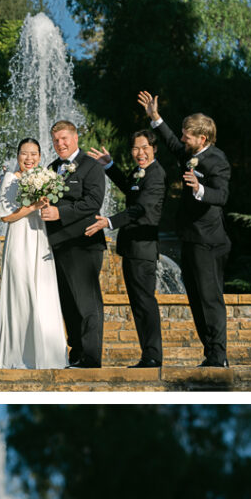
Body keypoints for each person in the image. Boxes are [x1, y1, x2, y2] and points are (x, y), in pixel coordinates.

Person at [138, 91, 231, 368]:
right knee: (195, 299)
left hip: (210, 241)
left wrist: (200, 188)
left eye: (187, 135)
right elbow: (168, 141)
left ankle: (218, 355)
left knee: (210, 299)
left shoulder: (218, 160)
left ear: (202, 138)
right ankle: (210, 353)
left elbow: (222, 196)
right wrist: (155, 117)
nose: (182, 139)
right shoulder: (188, 154)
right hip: (190, 239)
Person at [86, 131, 166, 368]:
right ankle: (148, 355)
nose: (140, 153)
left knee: (145, 303)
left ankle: (153, 356)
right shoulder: (141, 172)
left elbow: (140, 209)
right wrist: (109, 166)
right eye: (135, 149)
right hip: (132, 248)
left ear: (154, 148)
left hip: (143, 248)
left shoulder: (156, 175)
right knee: (138, 304)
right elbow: (130, 189)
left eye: (144, 148)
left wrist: (108, 221)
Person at [0, 138, 68, 369]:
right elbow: (5, 216)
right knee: (22, 292)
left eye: (34, 154)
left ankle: (49, 355)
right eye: (24, 154)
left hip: (41, 238)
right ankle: (19, 355)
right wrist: (33, 207)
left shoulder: (46, 178)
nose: (29, 159)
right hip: (20, 239)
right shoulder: (10, 179)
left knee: (44, 292)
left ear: (40, 155)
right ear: (18, 156)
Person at [41, 121, 106, 368]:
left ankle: (91, 357)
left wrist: (60, 213)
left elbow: (93, 202)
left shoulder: (91, 166)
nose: (60, 144)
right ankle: (76, 352)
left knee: (87, 302)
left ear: (76, 138)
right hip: (58, 245)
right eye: (56, 140)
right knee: (68, 304)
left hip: (83, 243)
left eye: (65, 138)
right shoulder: (51, 168)